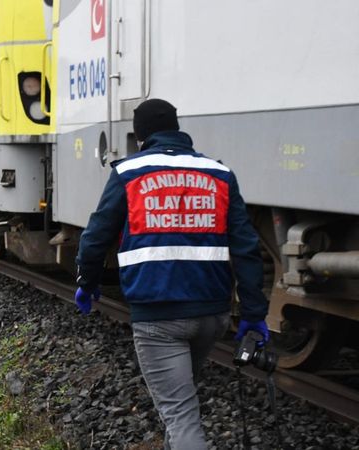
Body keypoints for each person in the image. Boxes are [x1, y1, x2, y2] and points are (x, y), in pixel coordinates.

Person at [74, 99, 269, 450]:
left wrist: (86, 284)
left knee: (180, 415)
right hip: (211, 316)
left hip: (158, 318)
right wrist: (253, 316)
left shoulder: (129, 172)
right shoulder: (220, 174)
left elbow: (95, 236)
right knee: (180, 405)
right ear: (178, 130)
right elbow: (246, 249)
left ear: (141, 135)